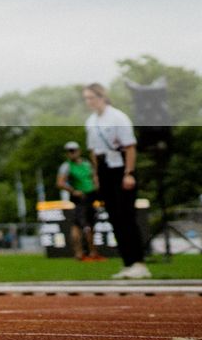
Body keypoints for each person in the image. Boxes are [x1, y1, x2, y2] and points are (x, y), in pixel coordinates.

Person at [83, 82, 148, 279]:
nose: (89, 102)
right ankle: (127, 262)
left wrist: (129, 173)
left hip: (121, 166)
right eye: (86, 99)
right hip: (105, 169)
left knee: (126, 215)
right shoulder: (91, 121)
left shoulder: (118, 117)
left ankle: (139, 262)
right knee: (114, 217)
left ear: (102, 97)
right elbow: (93, 151)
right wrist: (96, 174)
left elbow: (130, 147)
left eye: (91, 98)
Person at [56, 141, 101, 260]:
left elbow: (94, 177)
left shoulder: (87, 164)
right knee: (79, 225)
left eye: (73, 150)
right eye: (69, 151)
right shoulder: (66, 166)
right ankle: (79, 253)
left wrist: (97, 187)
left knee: (91, 225)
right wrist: (73, 191)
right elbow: (60, 183)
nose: (72, 153)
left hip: (91, 197)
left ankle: (92, 252)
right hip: (80, 199)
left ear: (79, 151)